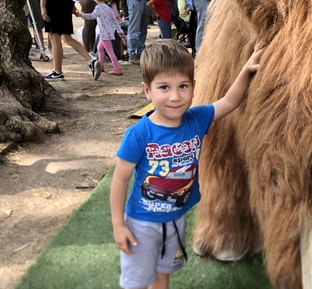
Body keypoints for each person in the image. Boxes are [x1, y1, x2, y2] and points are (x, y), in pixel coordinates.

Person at [110, 39, 262, 289]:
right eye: (163, 87)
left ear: (193, 86)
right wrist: (118, 225)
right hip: (142, 224)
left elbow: (229, 102)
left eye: (183, 86)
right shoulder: (139, 134)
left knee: (162, 275)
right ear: (147, 91)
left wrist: (246, 70)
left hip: (175, 218)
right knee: (136, 281)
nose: (175, 97)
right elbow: (119, 179)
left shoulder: (196, 119)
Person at [40, 0, 102, 81]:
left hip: (53, 5)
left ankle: (57, 71)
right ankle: (91, 60)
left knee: (54, 37)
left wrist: (42, 6)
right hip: (66, 4)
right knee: (67, 38)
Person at [80, 0, 125, 75]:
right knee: (99, 48)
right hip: (108, 33)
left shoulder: (99, 7)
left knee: (110, 52)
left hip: (104, 34)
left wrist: (82, 15)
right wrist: (120, 31)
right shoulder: (108, 8)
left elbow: (92, 16)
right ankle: (100, 65)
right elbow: (115, 20)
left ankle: (117, 68)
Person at [126, 0, 148, 64]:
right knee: (133, 29)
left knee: (143, 29)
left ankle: (140, 52)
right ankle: (132, 55)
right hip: (135, 1)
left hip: (143, 1)